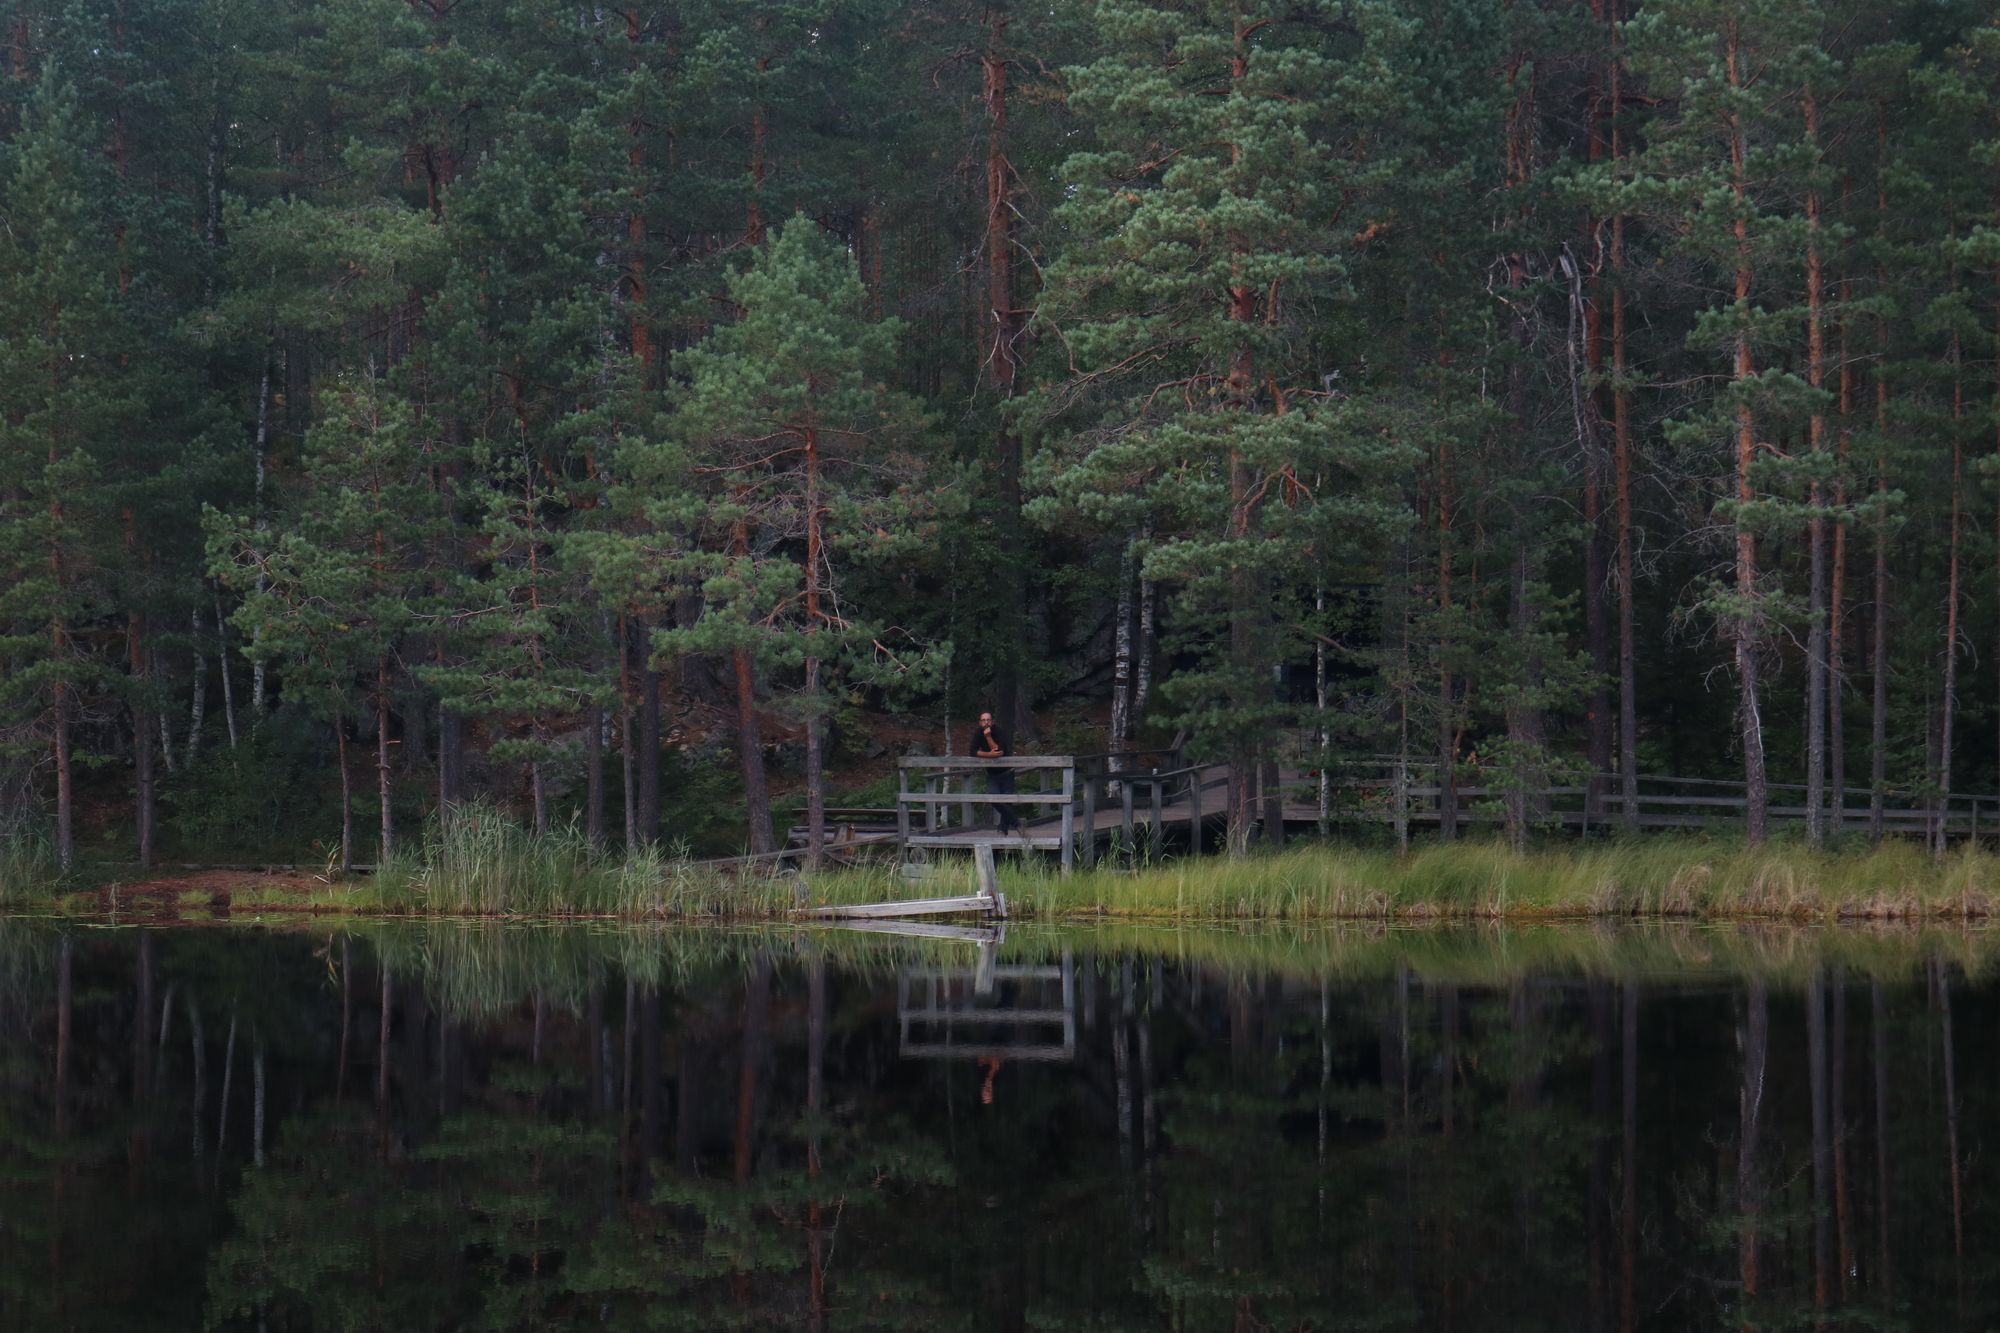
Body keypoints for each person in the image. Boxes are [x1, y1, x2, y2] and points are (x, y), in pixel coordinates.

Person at [973, 710, 1018, 833]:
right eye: (983, 720)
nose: (986, 722)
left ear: (992, 721)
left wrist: (988, 737)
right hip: (992, 774)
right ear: (980, 722)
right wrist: (988, 754)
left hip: (1006, 773)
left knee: (1007, 801)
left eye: (988, 720)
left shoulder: (999, 732)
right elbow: (973, 751)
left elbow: (998, 752)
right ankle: (1016, 822)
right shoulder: (978, 733)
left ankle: (1003, 830)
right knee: (994, 799)